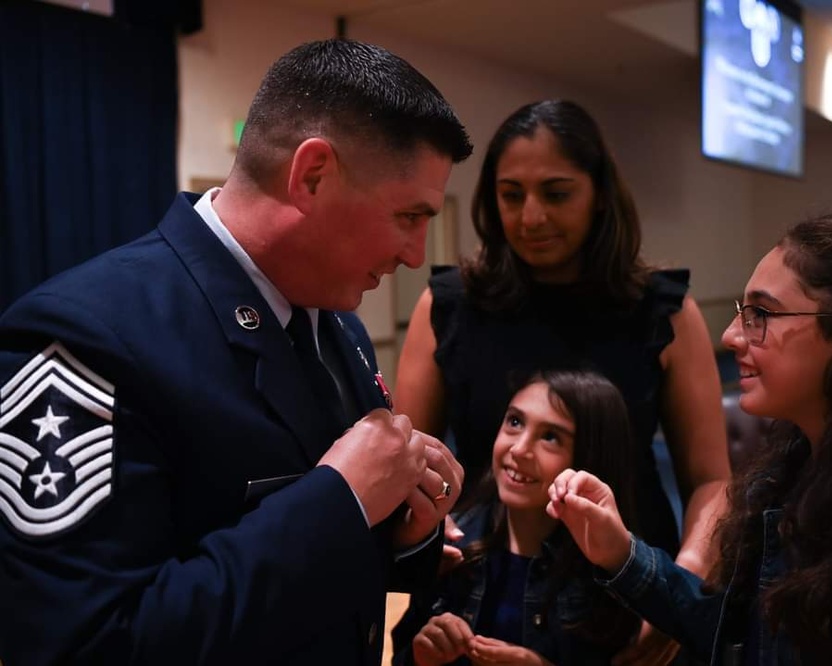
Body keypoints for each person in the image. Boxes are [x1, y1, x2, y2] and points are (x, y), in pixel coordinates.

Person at [0, 39, 473, 665]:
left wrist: (404, 532)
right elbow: (88, 643)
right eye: (408, 216)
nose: (417, 254)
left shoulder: (337, 326)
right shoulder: (84, 337)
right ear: (313, 175)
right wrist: (342, 499)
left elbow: (334, 584)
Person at [548, 212, 832, 664]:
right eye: (744, 313)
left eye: (761, 314)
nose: (731, 336)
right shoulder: (794, 469)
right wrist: (621, 552)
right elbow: (740, 636)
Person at [394, 99, 730, 573]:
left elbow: (710, 480)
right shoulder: (449, 304)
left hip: (626, 588)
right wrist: (429, 533)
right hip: (480, 582)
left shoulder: (664, 310)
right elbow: (412, 467)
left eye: (556, 194)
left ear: (599, 195)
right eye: (511, 195)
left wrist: (683, 579)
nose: (531, 218)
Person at [391, 369, 646, 666]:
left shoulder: (614, 573)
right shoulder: (452, 547)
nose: (520, 449)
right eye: (515, 422)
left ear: (590, 459)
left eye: (550, 437)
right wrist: (421, 657)